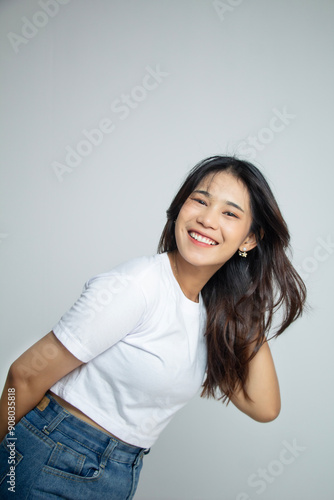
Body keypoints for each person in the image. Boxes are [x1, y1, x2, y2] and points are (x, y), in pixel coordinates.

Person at [0, 156, 306, 499]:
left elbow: (263, 406)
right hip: (52, 453)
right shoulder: (137, 285)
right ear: (180, 208)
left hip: (118, 472)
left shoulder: (210, 313)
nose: (207, 219)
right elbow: (24, 375)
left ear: (249, 239)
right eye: (200, 201)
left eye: (230, 213)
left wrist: (242, 303)